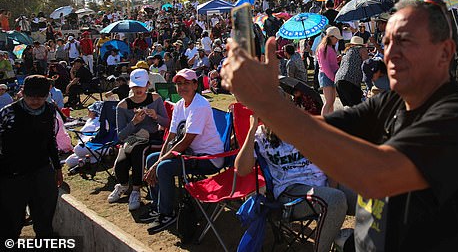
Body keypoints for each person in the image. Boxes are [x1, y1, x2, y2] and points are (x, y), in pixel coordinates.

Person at [220, 0, 458, 250]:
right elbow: (324, 129)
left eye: (405, 40)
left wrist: (270, 103)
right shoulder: (389, 103)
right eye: (388, 42)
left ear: (445, 52)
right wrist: (266, 107)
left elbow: (380, 176)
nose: (391, 53)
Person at [235, 114, 353, 252]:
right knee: (335, 199)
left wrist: (330, 189)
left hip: (323, 186)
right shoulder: (260, 136)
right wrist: (251, 131)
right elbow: (241, 170)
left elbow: (330, 161)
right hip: (291, 192)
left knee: (373, 196)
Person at [143, 69, 225, 234]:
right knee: (151, 159)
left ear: (195, 85)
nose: (182, 87)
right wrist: (157, 160)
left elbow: (185, 141)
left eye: (187, 83)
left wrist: (159, 163)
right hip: (190, 153)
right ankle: (159, 205)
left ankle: (167, 213)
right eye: (179, 83)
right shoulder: (180, 105)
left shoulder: (200, 105)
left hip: (208, 158)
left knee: (163, 167)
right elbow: (171, 137)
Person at [0, 75, 63, 240]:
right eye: (30, 97)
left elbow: (51, 140)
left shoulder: (49, 110)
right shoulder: (8, 113)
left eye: (40, 97)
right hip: (12, 172)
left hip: (41, 167)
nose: (35, 101)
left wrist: (57, 168)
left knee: (44, 213)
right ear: (22, 93)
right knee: (12, 218)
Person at [109, 69, 168, 211]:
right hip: (131, 139)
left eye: (141, 86)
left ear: (147, 84)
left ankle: (136, 190)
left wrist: (156, 117)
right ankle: (123, 185)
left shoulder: (155, 99)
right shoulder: (122, 106)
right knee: (121, 162)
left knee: (138, 152)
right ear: (130, 86)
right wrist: (134, 123)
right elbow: (121, 136)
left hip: (151, 137)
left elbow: (167, 123)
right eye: (135, 86)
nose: (138, 89)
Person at [334, 36, 368, 107]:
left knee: (348, 108)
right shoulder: (362, 49)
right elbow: (367, 64)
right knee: (356, 108)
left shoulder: (347, 51)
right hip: (350, 81)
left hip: (338, 80)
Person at [316, 26, 342, 116]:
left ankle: (330, 119)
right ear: (331, 37)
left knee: (331, 101)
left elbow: (329, 63)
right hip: (327, 75)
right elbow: (325, 66)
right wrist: (333, 78)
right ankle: (324, 121)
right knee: (329, 101)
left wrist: (337, 59)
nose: (337, 40)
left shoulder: (328, 47)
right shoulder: (324, 48)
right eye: (336, 38)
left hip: (330, 74)